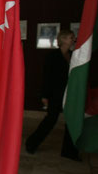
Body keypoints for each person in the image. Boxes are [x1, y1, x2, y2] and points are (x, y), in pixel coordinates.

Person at [26, 29, 80, 160]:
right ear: (63, 39)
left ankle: (69, 151)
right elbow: (47, 77)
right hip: (55, 94)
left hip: (69, 94)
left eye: (73, 37)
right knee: (51, 120)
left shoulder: (72, 55)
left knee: (71, 122)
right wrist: (44, 96)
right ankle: (31, 143)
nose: (73, 39)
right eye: (70, 37)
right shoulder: (52, 56)